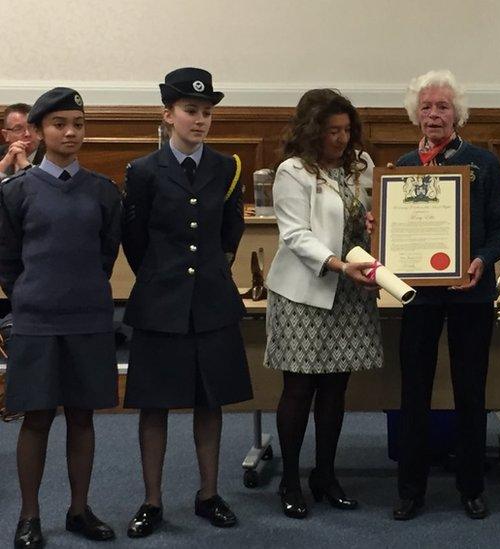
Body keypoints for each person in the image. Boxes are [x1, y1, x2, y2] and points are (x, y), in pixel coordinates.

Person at [121, 67, 252, 537]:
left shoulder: (226, 167)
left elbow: (229, 231)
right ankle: (152, 501)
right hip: (160, 302)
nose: (200, 120)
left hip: (212, 302)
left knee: (209, 402)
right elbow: (135, 239)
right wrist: (163, 280)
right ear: (168, 114)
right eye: (190, 111)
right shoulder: (142, 171)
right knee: (153, 406)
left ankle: (208, 494)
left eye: (207, 113)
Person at [0, 88, 121, 548]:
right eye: (59, 124)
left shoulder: (103, 191)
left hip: (88, 318)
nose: (71, 132)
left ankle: (78, 509)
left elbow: (106, 254)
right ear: (37, 132)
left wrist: (82, 291)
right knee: (35, 419)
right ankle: (29, 516)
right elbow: (8, 259)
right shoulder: (16, 191)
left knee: (83, 417)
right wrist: (31, 296)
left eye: (79, 123)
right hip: (35, 321)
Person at [392, 69, 500, 521]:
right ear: (415, 114)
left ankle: (471, 486)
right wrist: (383, 233)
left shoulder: (483, 163)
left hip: (471, 295)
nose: (434, 114)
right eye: (426, 106)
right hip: (419, 298)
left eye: (443, 106)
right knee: (414, 391)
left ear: (457, 113)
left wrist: (482, 257)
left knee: (470, 391)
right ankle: (410, 489)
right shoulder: (404, 168)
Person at [264, 88, 383, 519]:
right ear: (312, 131)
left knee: (336, 388)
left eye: (347, 130)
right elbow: (295, 235)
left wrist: (377, 224)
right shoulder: (292, 171)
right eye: (332, 131)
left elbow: (374, 215)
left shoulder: (362, 165)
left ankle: (326, 475)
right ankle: (290, 479)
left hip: (351, 292)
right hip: (305, 292)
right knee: (299, 389)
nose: (341, 139)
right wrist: (335, 263)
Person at [0, 103, 44, 177]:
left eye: (32, 127)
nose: (27, 134)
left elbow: (48, 186)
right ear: (6, 135)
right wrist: (4, 164)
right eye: (18, 129)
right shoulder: (1, 153)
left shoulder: (51, 156)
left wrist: (26, 165)